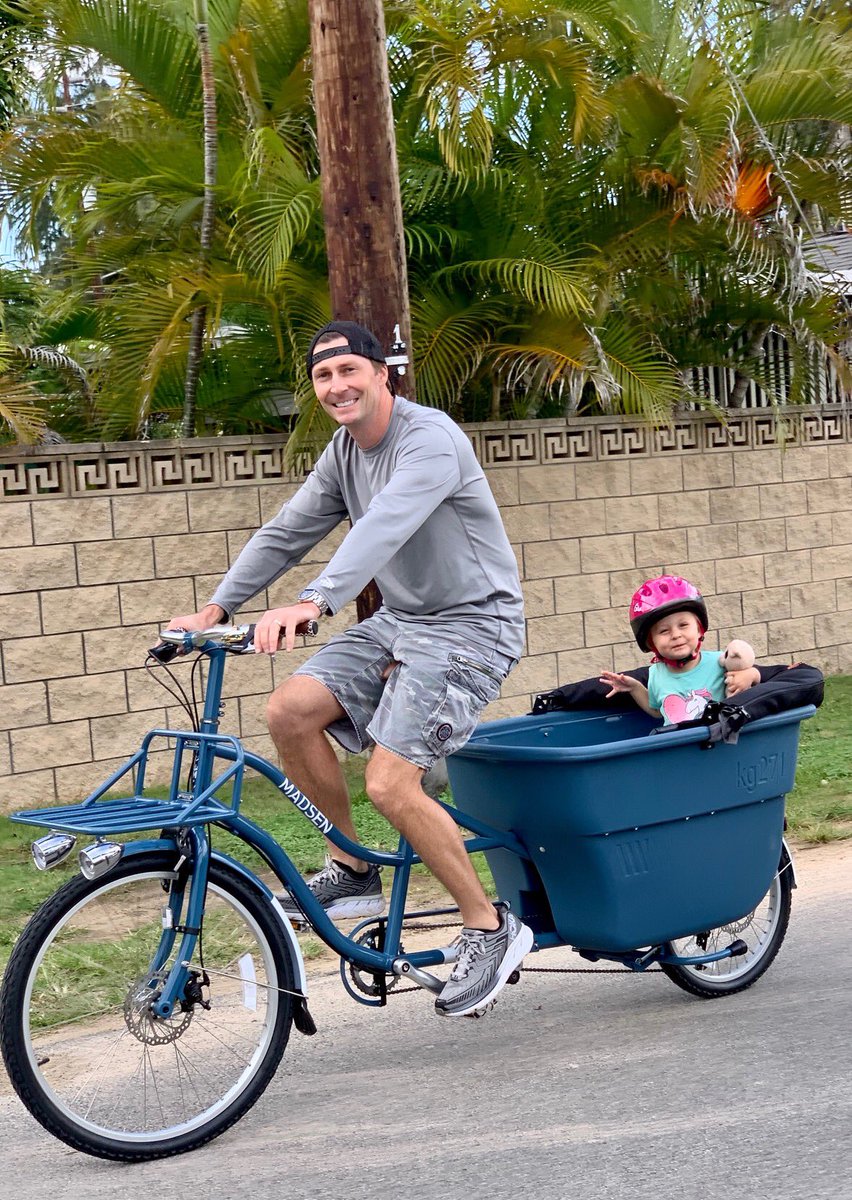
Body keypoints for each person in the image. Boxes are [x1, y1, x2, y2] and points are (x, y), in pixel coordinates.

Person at [167, 320, 533, 1018]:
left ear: (382, 373)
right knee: (289, 712)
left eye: (348, 372)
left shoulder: (430, 440)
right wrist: (215, 609)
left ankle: (489, 926)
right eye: (323, 377)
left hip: (474, 625)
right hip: (404, 620)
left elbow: (384, 525)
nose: (337, 387)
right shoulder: (344, 452)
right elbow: (286, 530)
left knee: (392, 784)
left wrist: (314, 601)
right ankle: (353, 868)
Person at [599, 575, 761, 724]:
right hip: (680, 750)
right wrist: (635, 688)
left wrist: (751, 674)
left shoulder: (720, 662)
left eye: (683, 625)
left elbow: (751, 683)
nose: (676, 635)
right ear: (651, 643)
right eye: (663, 631)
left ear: (699, 630)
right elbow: (657, 711)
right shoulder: (656, 673)